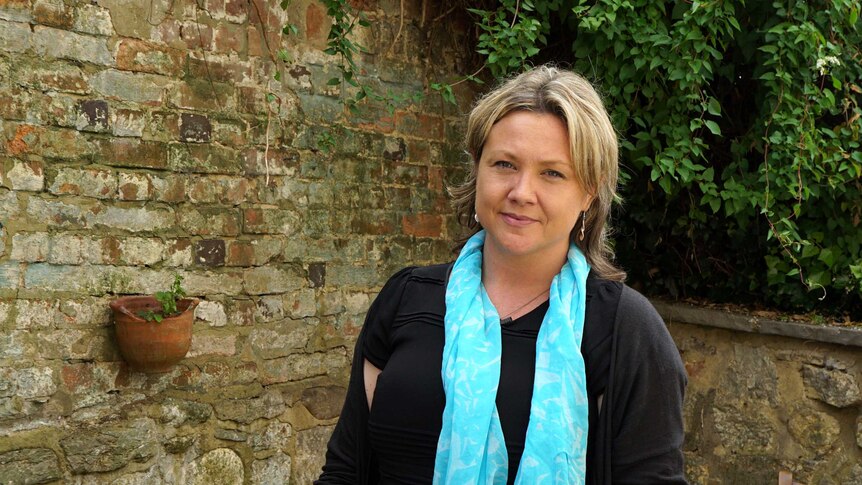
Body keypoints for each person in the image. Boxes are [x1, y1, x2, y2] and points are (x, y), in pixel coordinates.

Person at [316, 65, 688, 484]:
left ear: (588, 191)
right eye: (505, 164)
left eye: (552, 173)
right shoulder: (405, 301)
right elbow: (346, 471)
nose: (521, 192)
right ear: (478, 169)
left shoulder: (625, 332)